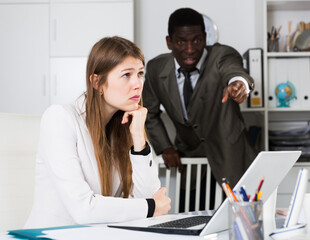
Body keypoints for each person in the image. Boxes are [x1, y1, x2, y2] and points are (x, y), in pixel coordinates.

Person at [25, 36, 171, 228]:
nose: (137, 84)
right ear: (97, 82)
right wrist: (151, 207)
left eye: (140, 73)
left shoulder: (125, 126)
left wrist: (138, 141)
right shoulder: (60, 118)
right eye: (127, 75)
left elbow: (148, 200)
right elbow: (83, 209)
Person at [142, 8, 257, 210]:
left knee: (240, 222)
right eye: (181, 42)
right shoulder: (155, 68)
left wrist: (240, 85)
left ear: (205, 38)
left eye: (196, 40)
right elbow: (149, 113)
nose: (189, 49)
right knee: (194, 221)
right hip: (191, 162)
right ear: (169, 42)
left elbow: (235, 72)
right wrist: (165, 147)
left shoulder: (222, 55)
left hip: (231, 158)